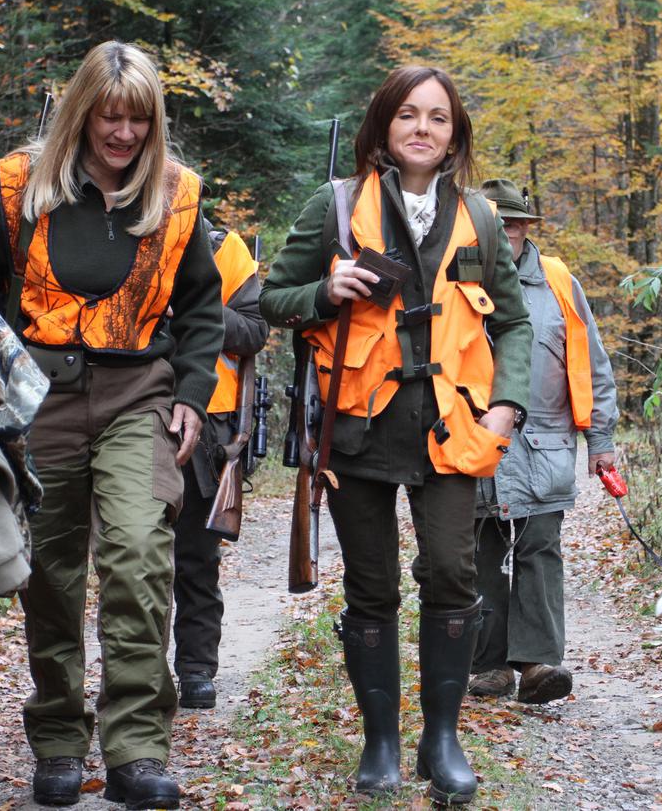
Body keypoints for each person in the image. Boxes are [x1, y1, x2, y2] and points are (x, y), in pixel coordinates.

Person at [260, 65, 533, 805]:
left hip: (451, 427)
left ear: (454, 137)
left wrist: (506, 406)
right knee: (371, 585)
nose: (422, 127)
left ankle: (440, 739)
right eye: (408, 114)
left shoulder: (477, 216)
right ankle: (380, 741)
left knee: (453, 573)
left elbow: (512, 323)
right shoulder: (337, 205)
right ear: (384, 126)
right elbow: (265, 297)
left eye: (438, 118)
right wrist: (325, 290)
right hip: (357, 428)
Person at [0, 41, 223, 810]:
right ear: (82, 111)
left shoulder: (177, 195)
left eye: (138, 120)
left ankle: (137, 748)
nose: (122, 134)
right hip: (39, 400)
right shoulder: (19, 183)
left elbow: (204, 307)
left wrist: (194, 394)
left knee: (141, 555)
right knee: (48, 571)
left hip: (138, 392)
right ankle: (58, 738)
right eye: (109, 116)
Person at [467, 178, 618, 705]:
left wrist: (601, 441)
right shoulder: (456, 277)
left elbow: (592, 364)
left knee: (539, 552)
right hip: (472, 441)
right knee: (480, 552)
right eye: (495, 225)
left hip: (546, 446)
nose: (505, 235)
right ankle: (487, 666)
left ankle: (536, 663)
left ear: (527, 229)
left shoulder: (558, 281)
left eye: (513, 225)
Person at [171, 221, 268, 710]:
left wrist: (195, 304)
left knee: (197, 557)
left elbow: (255, 329)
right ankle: (137, 672)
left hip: (210, 422)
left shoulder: (221, 247)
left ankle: (195, 668)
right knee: (130, 559)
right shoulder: (117, 232)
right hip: (130, 410)